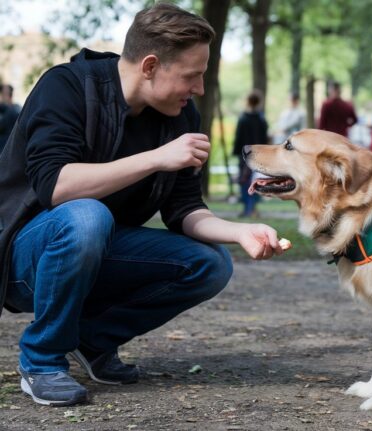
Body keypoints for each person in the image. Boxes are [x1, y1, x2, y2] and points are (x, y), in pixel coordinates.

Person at [0, 3, 284, 407]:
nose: (199, 88)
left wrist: (241, 232)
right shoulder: (66, 87)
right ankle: (43, 361)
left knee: (211, 263)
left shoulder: (180, 115)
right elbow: (56, 187)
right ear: (150, 66)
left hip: (98, 250)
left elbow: (185, 210)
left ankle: (92, 341)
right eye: (192, 75)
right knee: (87, 215)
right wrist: (156, 158)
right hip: (26, 259)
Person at [232, 90, 268, 218]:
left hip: (244, 155)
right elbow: (264, 139)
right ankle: (252, 208)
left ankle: (247, 208)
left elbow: (238, 137)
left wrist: (236, 152)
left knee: (244, 181)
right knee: (257, 181)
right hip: (258, 155)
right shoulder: (261, 119)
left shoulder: (243, 118)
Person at [0, 83, 21, 153]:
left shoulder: (16, 109)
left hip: (12, 149)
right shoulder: (3, 110)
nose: (3, 96)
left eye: (5, 93)